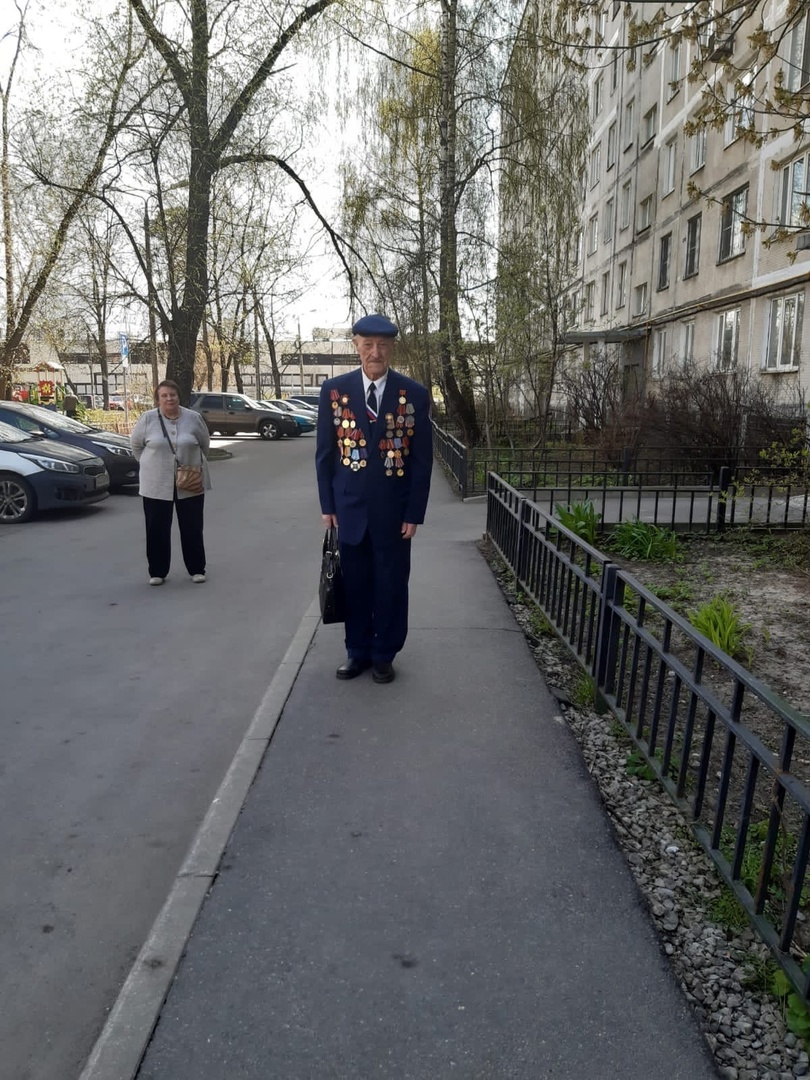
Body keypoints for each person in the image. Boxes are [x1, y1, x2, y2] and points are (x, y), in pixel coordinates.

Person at [315, 314, 433, 683]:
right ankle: (357, 651)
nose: (375, 352)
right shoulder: (334, 392)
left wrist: (414, 512)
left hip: (394, 513)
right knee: (357, 584)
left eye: (382, 345)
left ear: (392, 348)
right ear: (356, 347)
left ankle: (385, 653)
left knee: (392, 584)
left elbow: (421, 460)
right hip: (349, 510)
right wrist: (327, 506)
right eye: (368, 345)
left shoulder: (412, 394)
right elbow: (324, 454)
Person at [130, 379, 211, 587]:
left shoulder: (193, 418)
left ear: (178, 397)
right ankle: (157, 571)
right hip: (155, 484)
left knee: (192, 527)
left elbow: (204, 444)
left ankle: (196, 569)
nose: (169, 399)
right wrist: (154, 466)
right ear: (158, 399)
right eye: (164, 395)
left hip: (190, 481)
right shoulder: (147, 419)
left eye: (172, 395)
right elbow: (137, 448)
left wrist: (189, 463)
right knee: (156, 528)